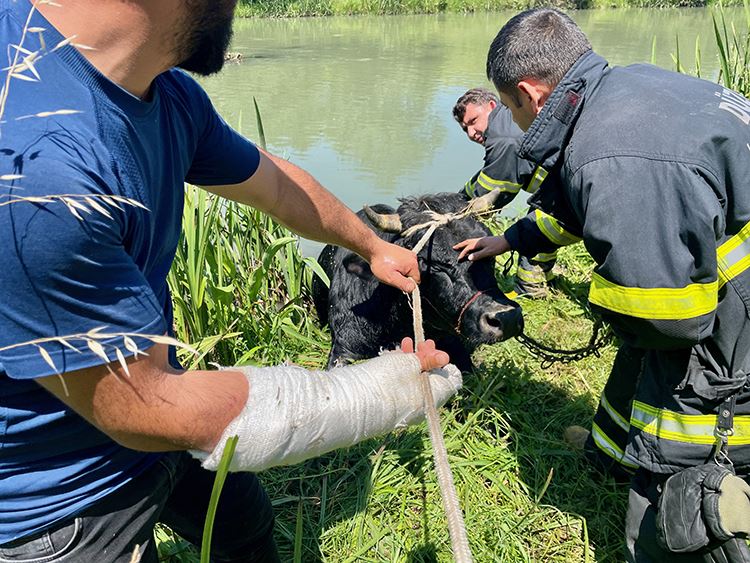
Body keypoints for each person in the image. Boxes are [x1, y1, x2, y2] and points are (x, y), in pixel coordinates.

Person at [0, 2, 461, 562]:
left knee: (243, 527)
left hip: (151, 397)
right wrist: (387, 390)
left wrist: (371, 245)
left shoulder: (161, 91)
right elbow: (150, 410)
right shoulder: (35, 171)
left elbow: (275, 183)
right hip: (58, 499)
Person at [455, 7, 750, 561]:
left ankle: (681, 511)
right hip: (725, 278)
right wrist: (512, 239)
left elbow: (667, 319)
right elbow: (579, 208)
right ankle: (609, 453)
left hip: (733, 323)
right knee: (632, 368)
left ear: (528, 94)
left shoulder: (609, 153)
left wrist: (606, 299)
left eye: (512, 111)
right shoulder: (625, 89)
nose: (514, 126)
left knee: (668, 501)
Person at [453, 87, 559, 297]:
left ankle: (531, 292)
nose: (471, 133)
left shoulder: (502, 138)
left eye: (473, 121)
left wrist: (455, 212)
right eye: (465, 129)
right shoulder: (506, 122)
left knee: (537, 224)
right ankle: (544, 283)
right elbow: (489, 174)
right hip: (559, 184)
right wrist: (459, 197)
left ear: (491, 106)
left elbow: (493, 193)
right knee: (544, 212)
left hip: (564, 189)